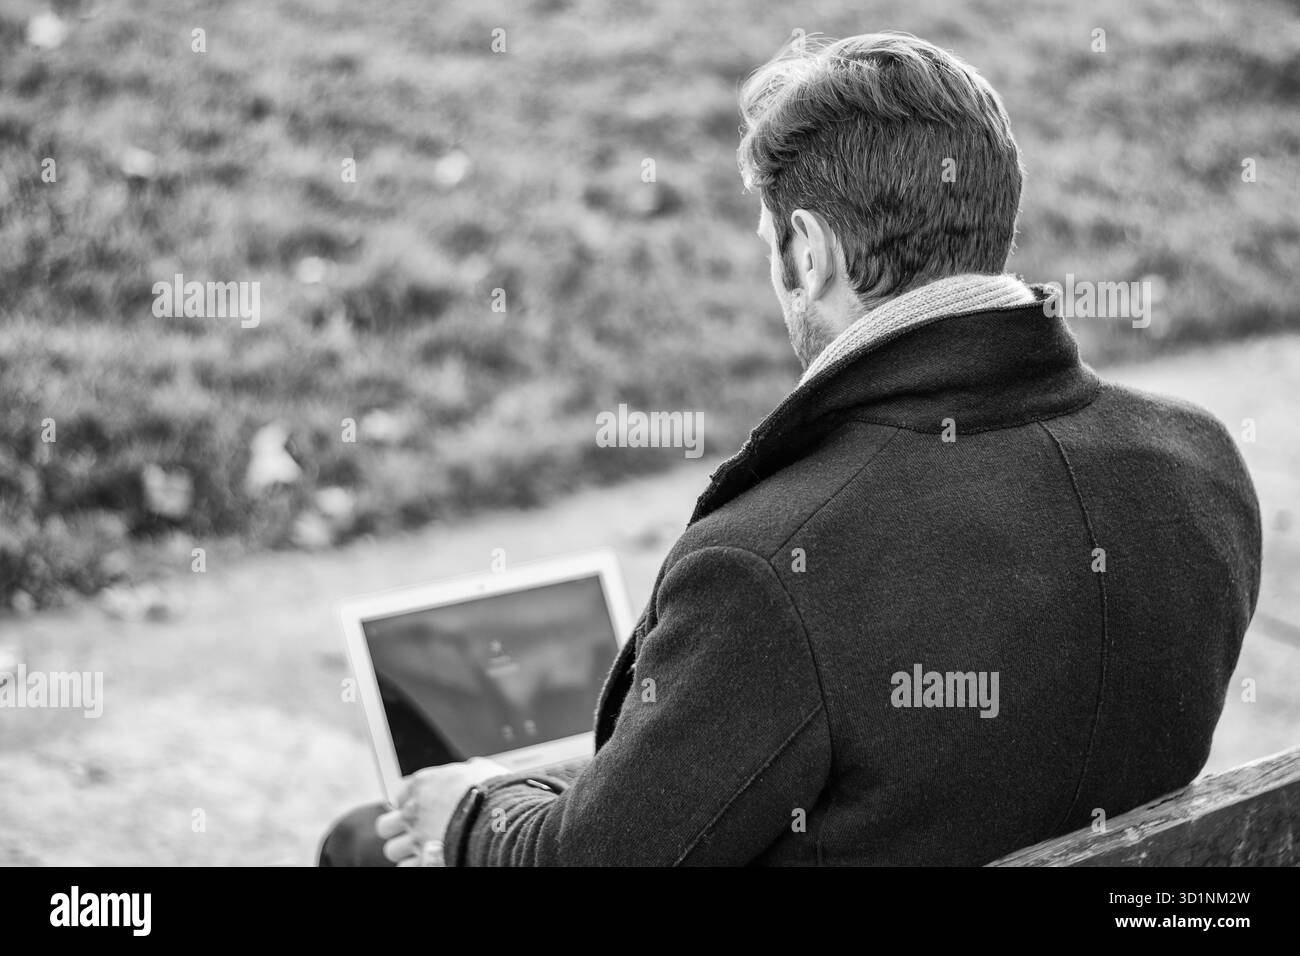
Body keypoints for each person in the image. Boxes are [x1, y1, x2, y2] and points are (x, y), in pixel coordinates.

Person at [319, 31, 1261, 867]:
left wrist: (472, 814)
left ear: (809, 252)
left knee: (365, 839)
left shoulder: (767, 568)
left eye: (769, 241)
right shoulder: (1197, 464)